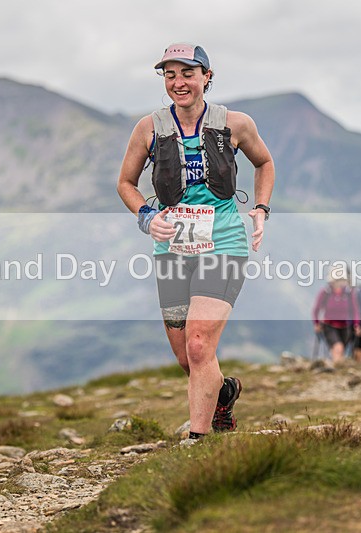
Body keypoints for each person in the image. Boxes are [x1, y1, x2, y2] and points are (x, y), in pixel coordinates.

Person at [117, 43, 275, 442]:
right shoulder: (148, 128)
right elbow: (125, 183)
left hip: (223, 243)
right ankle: (222, 394)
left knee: (200, 342)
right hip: (171, 249)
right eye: (170, 75)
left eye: (187, 73)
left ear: (207, 77)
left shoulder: (235, 124)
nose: (178, 83)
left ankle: (198, 442)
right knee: (188, 356)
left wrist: (260, 208)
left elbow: (264, 163)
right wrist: (147, 217)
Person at [312, 269, 361, 366]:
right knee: (338, 348)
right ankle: (336, 370)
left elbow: (355, 310)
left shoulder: (348, 293)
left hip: (345, 327)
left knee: (340, 350)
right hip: (329, 326)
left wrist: (356, 324)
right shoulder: (325, 293)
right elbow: (316, 309)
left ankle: (334, 370)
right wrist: (316, 323)